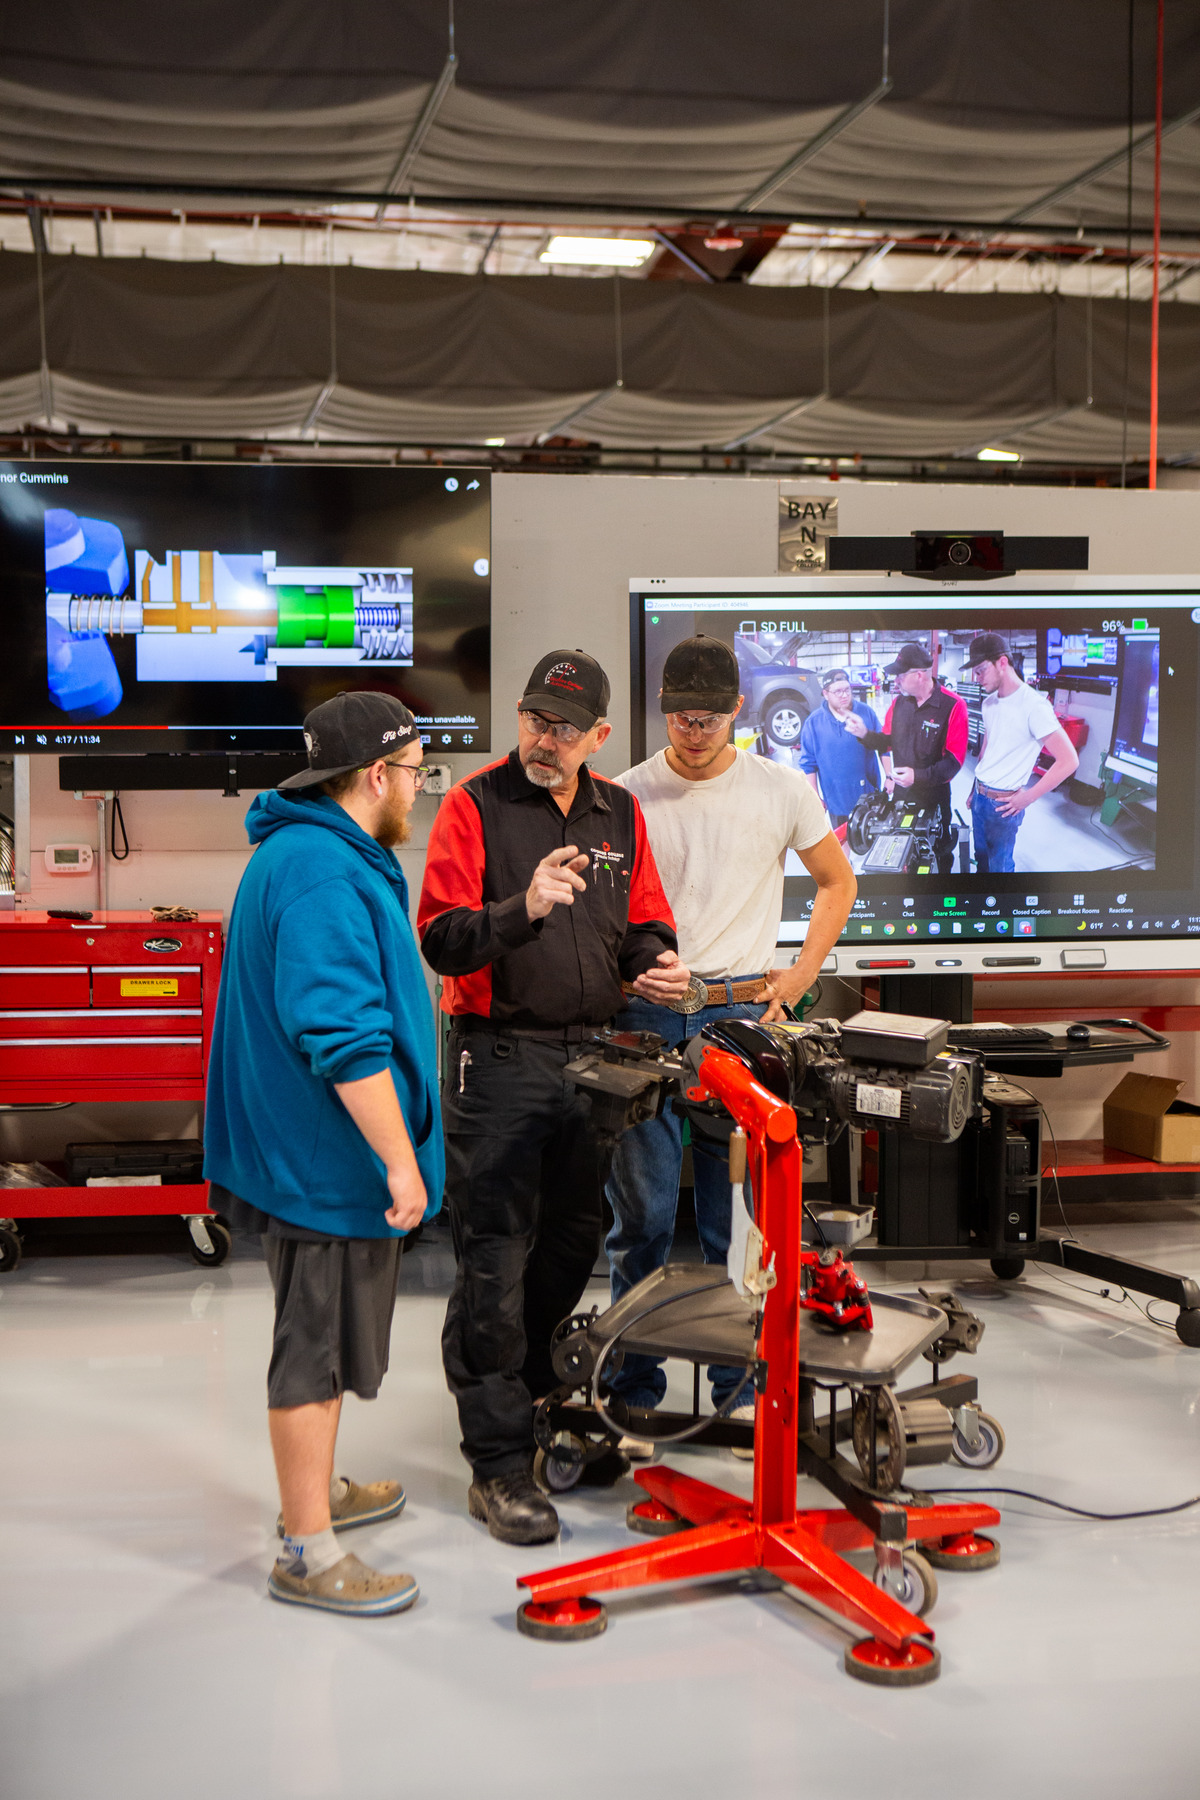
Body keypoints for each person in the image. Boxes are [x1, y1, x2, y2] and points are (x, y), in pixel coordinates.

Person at [417, 649, 689, 1545]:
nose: (545, 737)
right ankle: (496, 1463)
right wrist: (521, 908)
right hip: (498, 1060)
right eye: (535, 719)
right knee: (494, 1255)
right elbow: (443, 941)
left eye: (565, 726)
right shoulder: (474, 806)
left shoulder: (622, 813)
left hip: (595, 1060)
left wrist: (656, 966)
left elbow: (643, 922)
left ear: (599, 736)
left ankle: (528, 1390)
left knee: (576, 1242)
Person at [204, 691, 444, 1618]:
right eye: (418, 773)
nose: (420, 792)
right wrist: (400, 1157)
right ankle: (306, 1546)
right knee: (310, 1348)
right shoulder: (318, 871)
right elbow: (342, 1034)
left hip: (313, 1152)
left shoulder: (325, 850)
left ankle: (322, 1488)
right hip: (325, 1159)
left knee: (327, 1333)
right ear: (376, 774)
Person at [605, 635, 857, 1448]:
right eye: (680, 714)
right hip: (646, 1018)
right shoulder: (627, 795)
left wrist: (799, 977)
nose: (693, 729)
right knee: (641, 1214)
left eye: (709, 716)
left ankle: (736, 1388)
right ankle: (633, 1385)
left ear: (737, 711)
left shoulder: (780, 789)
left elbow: (836, 881)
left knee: (734, 1219)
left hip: (739, 1019)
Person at [842, 642, 968, 875]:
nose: (895, 681)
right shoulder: (899, 704)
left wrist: (917, 776)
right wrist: (864, 735)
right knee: (901, 854)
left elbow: (954, 762)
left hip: (934, 798)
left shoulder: (953, 706)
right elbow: (887, 741)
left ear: (919, 675)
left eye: (900, 676)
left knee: (938, 853)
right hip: (901, 796)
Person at [967, 632, 1079, 873]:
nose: (976, 679)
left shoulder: (1034, 706)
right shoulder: (989, 704)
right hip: (978, 797)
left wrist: (1027, 798)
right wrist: (973, 790)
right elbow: (987, 750)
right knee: (981, 862)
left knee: (1000, 870)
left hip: (1003, 807)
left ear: (1002, 662)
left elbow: (1069, 760)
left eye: (981, 670)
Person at [797, 667, 881, 826]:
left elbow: (883, 745)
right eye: (838, 692)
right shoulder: (814, 723)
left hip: (869, 793)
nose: (844, 695)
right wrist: (815, 796)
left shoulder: (866, 713)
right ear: (826, 694)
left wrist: (890, 776)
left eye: (847, 690)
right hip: (836, 798)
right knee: (842, 844)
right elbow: (808, 764)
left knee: (872, 838)